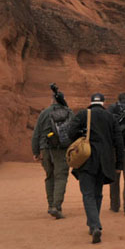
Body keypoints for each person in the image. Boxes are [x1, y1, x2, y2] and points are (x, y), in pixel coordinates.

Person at [69, 93, 124, 243]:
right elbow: (119, 142)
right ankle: (94, 224)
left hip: (87, 160)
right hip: (105, 162)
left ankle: (94, 225)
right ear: (103, 103)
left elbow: (70, 132)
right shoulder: (111, 117)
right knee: (98, 194)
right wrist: (119, 164)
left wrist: (82, 135)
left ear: (91, 102)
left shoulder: (83, 114)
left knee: (87, 194)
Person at [31, 88, 73, 219]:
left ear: (52, 100)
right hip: (61, 149)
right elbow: (73, 131)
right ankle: (56, 206)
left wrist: (36, 151)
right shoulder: (68, 112)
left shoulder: (44, 113)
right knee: (61, 177)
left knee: (50, 176)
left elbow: (36, 134)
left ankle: (50, 206)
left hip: (45, 149)